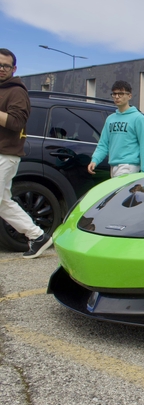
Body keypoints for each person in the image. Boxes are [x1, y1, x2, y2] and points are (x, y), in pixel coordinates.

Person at [0, 48, 53, 258]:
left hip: (6, 154)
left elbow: (16, 122)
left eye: (5, 65)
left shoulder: (17, 92)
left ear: (14, 68)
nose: (1, 69)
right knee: (3, 202)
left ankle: (38, 236)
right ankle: (37, 236)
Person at [88, 81, 144, 178]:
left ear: (129, 96)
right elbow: (103, 143)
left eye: (121, 94)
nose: (117, 97)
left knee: (121, 192)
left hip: (129, 166)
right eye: (114, 94)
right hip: (113, 166)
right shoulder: (110, 119)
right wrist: (95, 160)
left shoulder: (138, 118)